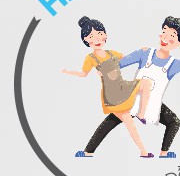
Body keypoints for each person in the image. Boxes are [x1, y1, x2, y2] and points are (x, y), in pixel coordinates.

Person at [80, 16, 180, 159]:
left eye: (172, 36)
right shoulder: (144, 53)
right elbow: (119, 64)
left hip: (152, 103)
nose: (165, 37)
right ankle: (88, 151)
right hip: (132, 97)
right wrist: (101, 68)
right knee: (111, 121)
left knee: (173, 121)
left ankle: (164, 153)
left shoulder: (174, 65)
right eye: (164, 32)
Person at [62, 15, 153, 158]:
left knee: (146, 83)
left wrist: (141, 51)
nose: (96, 39)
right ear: (85, 40)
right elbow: (83, 74)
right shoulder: (90, 58)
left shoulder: (112, 53)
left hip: (123, 86)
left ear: (105, 35)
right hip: (112, 94)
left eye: (99, 34)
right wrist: (66, 71)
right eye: (91, 36)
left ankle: (141, 114)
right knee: (128, 122)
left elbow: (129, 58)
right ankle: (143, 151)